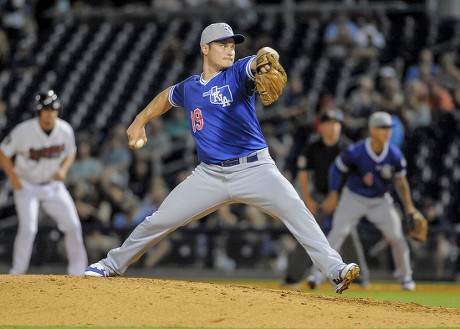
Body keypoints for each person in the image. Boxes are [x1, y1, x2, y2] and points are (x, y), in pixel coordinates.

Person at [84, 22, 360, 293]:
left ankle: (335, 270)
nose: (230, 50)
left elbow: (264, 55)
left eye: (232, 45)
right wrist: (139, 120)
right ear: (205, 48)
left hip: (256, 169)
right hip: (210, 175)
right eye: (223, 45)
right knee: (158, 220)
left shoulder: (239, 72)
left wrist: (267, 59)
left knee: (297, 211)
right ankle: (111, 265)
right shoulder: (190, 87)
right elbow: (166, 97)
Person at [311, 111, 420, 290]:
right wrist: (334, 193)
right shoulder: (356, 151)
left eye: (389, 128)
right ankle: (317, 274)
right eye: (382, 128)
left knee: (397, 237)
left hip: (380, 200)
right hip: (354, 197)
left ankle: (406, 276)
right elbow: (336, 169)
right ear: (372, 130)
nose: (387, 132)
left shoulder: (394, 154)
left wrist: (410, 208)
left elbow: (401, 181)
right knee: (337, 234)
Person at [0, 90, 88, 275]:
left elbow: (71, 151)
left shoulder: (64, 130)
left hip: (52, 186)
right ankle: (17, 272)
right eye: (46, 109)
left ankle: (78, 271)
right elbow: (3, 153)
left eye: (53, 109)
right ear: (38, 111)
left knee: (73, 226)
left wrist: (63, 169)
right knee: (29, 229)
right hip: (27, 185)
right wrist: (14, 179)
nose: (50, 113)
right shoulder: (23, 131)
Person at [282, 109, 370, 289]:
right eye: (329, 123)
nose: (333, 127)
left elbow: (355, 177)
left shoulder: (347, 148)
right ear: (321, 127)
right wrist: (307, 199)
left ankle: (360, 278)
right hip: (319, 196)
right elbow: (303, 173)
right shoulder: (313, 147)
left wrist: (337, 198)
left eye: (336, 123)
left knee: (349, 236)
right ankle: (292, 276)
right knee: (307, 232)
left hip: (343, 196)